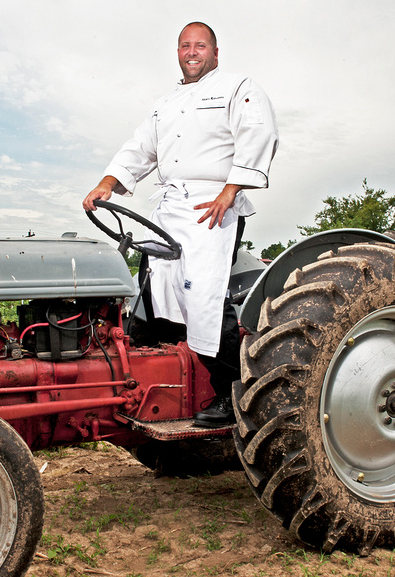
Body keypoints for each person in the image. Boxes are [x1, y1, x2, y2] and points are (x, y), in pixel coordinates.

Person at [83, 22, 278, 426]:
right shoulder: (167, 103)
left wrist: (230, 190)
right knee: (153, 293)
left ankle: (232, 393)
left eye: (200, 45)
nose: (192, 51)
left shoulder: (238, 87)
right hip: (171, 207)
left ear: (215, 52)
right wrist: (107, 183)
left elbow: (259, 133)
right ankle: (145, 382)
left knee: (203, 298)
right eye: (185, 45)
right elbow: (140, 148)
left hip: (213, 207)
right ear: (177, 52)